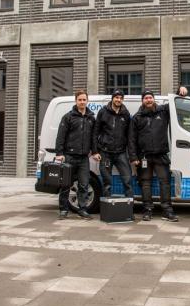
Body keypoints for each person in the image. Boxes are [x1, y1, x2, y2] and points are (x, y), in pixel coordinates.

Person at [128, 87, 188, 222]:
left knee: (165, 183)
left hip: (161, 154)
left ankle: (167, 211)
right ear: (142, 101)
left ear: (153, 99)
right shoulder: (137, 117)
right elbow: (131, 139)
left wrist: (181, 91)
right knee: (145, 184)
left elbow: (176, 102)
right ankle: (147, 210)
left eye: (150, 97)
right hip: (144, 156)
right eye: (146, 98)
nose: (148, 100)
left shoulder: (163, 111)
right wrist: (133, 157)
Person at [55, 89, 96, 220]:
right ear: (76, 101)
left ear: (87, 101)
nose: (82, 102)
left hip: (84, 157)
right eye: (80, 100)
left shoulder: (91, 118)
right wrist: (59, 153)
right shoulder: (68, 117)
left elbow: (93, 137)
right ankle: (63, 210)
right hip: (69, 156)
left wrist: (94, 151)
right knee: (66, 184)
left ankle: (82, 209)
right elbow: (60, 136)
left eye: (84, 99)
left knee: (84, 184)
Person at [92, 89, 134, 202]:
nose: (118, 100)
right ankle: (107, 208)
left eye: (120, 98)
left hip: (121, 153)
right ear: (112, 98)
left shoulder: (126, 113)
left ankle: (129, 207)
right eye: (116, 97)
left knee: (128, 179)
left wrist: (132, 155)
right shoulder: (103, 112)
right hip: (105, 153)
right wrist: (95, 151)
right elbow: (95, 132)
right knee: (107, 182)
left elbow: (130, 135)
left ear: (122, 100)